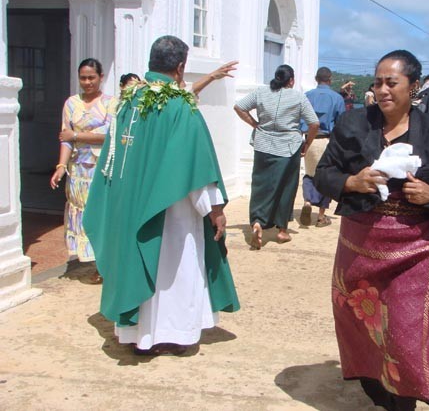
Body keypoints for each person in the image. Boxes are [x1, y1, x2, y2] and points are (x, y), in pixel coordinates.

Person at [314, 50, 429, 411]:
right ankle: (381, 391)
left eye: (392, 82)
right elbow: (324, 173)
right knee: (360, 322)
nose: (383, 90)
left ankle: (405, 400)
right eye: (378, 82)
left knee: (406, 334)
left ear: (414, 86)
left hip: (416, 248)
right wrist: (351, 182)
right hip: (360, 244)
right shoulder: (353, 125)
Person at [83, 35, 240, 356]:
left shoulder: (127, 102)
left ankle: (139, 337)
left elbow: (112, 160)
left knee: (138, 263)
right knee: (176, 270)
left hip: (132, 206)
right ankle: (178, 335)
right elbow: (196, 165)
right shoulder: (180, 107)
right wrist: (214, 209)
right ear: (181, 67)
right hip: (174, 213)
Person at [234, 64, 320, 248]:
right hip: (289, 148)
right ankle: (282, 231)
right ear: (291, 80)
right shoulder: (298, 97)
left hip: (263, 145)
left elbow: (239, 107)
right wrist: (307, 142)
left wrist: (256, 125)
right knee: (286, 188)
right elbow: (314, 123)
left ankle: (257, 222)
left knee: (260, 186)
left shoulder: (261, 92)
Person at [49, 58, 116, 285]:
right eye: (83, 78)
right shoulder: (71, 103)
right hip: (78, 171)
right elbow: (64, 139)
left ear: (101, 77)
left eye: (91, 78)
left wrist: (76, 136)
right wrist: (60, 166)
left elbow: (110, 135)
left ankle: (105, 265)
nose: (87, 82)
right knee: (81, 213)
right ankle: (95, 262)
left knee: (100, 214)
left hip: (101, 169)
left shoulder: (110, 103)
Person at [300, 67, 345, 227]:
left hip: (309, 140)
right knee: (327, 176)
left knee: (309, 174)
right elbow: (341, 124)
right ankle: (320, 216)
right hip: (327, 140)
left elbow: (299, 120)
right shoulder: (337, 98)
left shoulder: (307, 96)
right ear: (330, 79)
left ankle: (307, 202)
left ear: (316, 78)